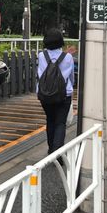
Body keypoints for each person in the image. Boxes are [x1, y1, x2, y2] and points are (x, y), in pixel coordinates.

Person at [37, 28, 75, 157]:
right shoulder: (68, 57)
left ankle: (51, 150)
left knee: (50, 120)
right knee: (60, 123)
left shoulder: (42, 55)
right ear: (60, 41)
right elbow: (71, 77)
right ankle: (57, 154)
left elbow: (40, 74)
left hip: (45, 94)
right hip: (64, 94)